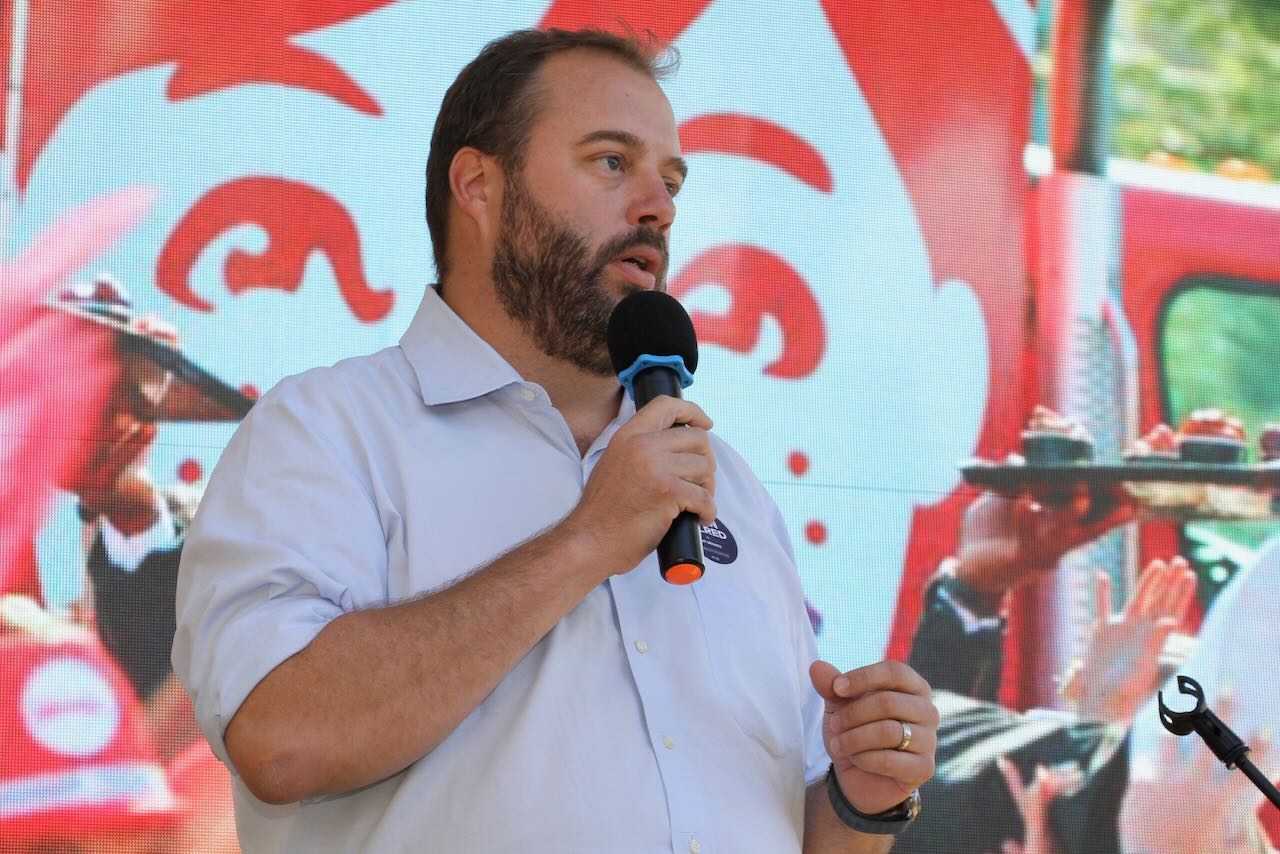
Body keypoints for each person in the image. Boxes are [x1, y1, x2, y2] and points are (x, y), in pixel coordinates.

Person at [172, 27, 939, 853]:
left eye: (671, 179)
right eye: (612, 162)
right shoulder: (327, 430)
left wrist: (860, 802)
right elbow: (280, 740)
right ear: (479, 186)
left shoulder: (728, 485)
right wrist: (585, 542)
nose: (658, 206)